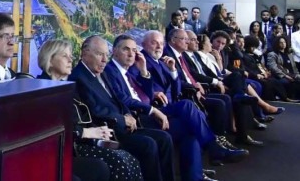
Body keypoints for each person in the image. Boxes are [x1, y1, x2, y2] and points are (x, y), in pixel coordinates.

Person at [107, 34, 244, 181]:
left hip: (157, 109)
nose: (131, 53)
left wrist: (156, 72)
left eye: (134, 50)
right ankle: (213, 147)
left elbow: (174, 91)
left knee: (189, 131)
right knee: (187, 105)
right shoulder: (112, 70)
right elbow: (127, 99)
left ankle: (195, 176)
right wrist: (153, 105)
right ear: (114, 51)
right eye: (126, 49)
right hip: (142, 116)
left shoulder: (141, 66)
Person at [70, 36, 175, 181]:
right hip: (110, 130)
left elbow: (119, 99)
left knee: (164, 138)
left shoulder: (102, 72)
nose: (104, 60)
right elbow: (95, 110)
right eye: (100, 54)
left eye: (106, 55)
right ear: (85, 53)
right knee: (148, 144)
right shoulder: (78, 77)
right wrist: (122, 119)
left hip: (125, 125)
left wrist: (127, 114)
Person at [37, 39, 140, 181]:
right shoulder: (42, 89)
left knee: (128, 158)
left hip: (82, 141)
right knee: (116, 162)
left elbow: (84, 117)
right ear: (50, 59)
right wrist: (87, 132)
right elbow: (52, 128)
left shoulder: (66, 86)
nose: (70, 60)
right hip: (64, 149)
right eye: (64, 56)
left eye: (70, 56)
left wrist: (98, 132)